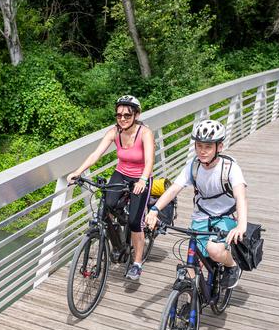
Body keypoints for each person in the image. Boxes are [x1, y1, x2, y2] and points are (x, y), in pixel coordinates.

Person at [145, 119, 246, 289]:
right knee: (191, 266)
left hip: (225, 217)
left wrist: (241, 225)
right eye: (199, 146)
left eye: (207, 147)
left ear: (219, 147)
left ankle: (231, 266)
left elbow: (241, 197)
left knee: (214, 250)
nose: (202, 151)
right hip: (200, 217)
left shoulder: (230, 167)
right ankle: (191, 300)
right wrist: (154, 209)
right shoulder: (193, 166)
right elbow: (173, 189)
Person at [67, 95, 155, 281]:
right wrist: (78, 171)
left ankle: (137, 263)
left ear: (136, 115)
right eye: (119, 115)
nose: (122, 119)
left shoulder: (144, 133)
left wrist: (143, 180)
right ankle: (120, 239)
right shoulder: (114, 132)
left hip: (141, 177)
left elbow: (149, 161)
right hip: (121, 173)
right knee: (107, 205)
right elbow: (96, 154)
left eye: (127, 115)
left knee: (134, 222)